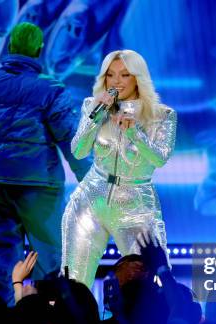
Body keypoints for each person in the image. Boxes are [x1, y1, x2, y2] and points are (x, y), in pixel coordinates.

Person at [0, 22, 91, 304]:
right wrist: (89, 178)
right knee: (49, 256)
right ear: (39, 50)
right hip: (38, 186)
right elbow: (71, 139)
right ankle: (48, 322)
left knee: (3, 257)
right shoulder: (51, 90)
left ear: (9, 46)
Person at [61, 49, 176, 288]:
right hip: (92, 199)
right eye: (111, 75)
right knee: (73, 285)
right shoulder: (92, 106)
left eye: (124, 75)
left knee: (152, 285)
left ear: (138, 77)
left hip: (135, 204)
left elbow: (160, 158)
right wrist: (96, 115)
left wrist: (135, 132)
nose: (116, 81)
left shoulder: (161, 115)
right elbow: (78, 151)